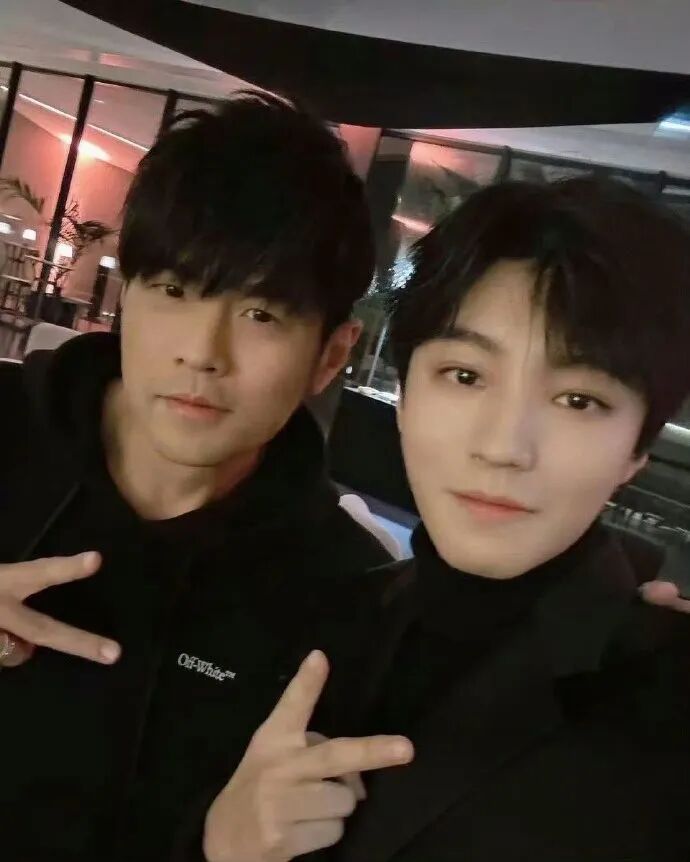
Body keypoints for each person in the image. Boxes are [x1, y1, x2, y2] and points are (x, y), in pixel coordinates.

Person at [0, 91, 413, 862]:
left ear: (331, 355)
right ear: (128, 297)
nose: (203, 352)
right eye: (175, 291)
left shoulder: (344, 594)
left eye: (262, 314)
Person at [321, 177, 690, 862]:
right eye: (465, 376)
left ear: (638, 448)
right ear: (406, 394)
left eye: (578, 399)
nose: (502, 447)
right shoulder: (331, 615)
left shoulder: (667, 702)